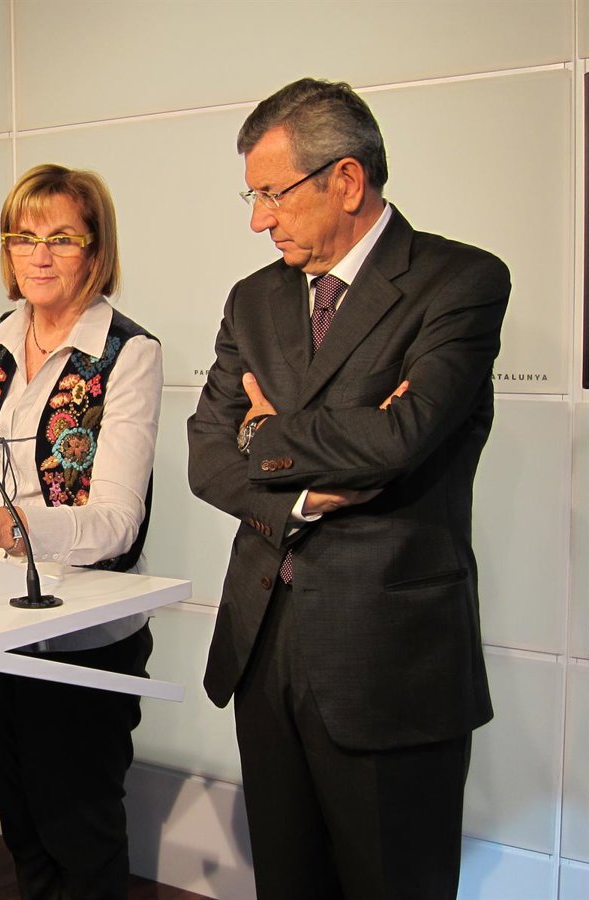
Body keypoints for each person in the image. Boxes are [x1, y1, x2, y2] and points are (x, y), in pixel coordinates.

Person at [187, 78, 510, 899]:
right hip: (263, 644)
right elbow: (205, 456)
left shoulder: (459, 282)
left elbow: (401, 440)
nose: (259, 220)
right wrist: (301, 491)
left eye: (272, 194)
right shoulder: (253, 299)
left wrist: (264, 434)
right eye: (253, 196)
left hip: (390, 659)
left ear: (347, 180)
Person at [0, 163, 163, 900]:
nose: (39, 256)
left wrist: (6, 527)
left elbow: (116, 523)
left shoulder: (127, 353)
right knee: (22, 827)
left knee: (79, 833)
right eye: (23, 238)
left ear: (96, 248)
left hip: (85, 632)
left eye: (62, 239)